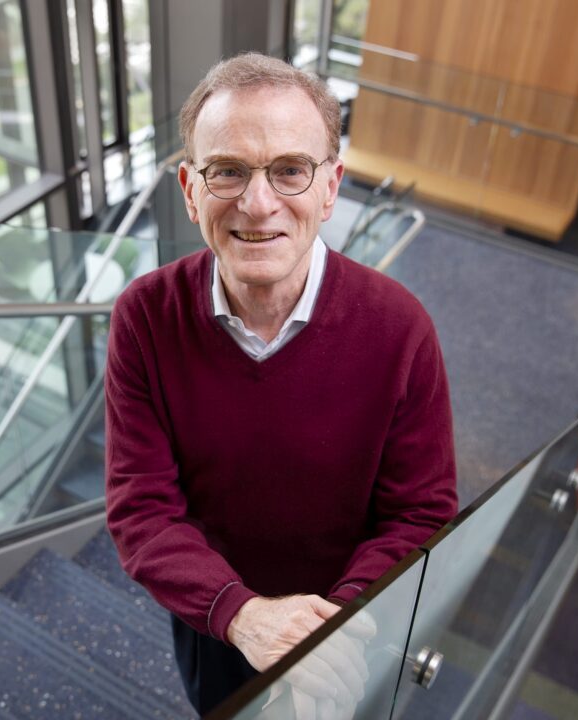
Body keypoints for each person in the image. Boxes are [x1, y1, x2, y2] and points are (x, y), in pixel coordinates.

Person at [104, 52, 457, 716]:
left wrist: (332, 632)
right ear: (189, 189)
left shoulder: (401, 329)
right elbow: (141, 510)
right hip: (219, 621)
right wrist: (243, 615)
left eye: (289, 170)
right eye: (227, 171)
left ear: (331, 187)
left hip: (354, 627)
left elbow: (420, 514)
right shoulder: (144, 318)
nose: (257, 202)